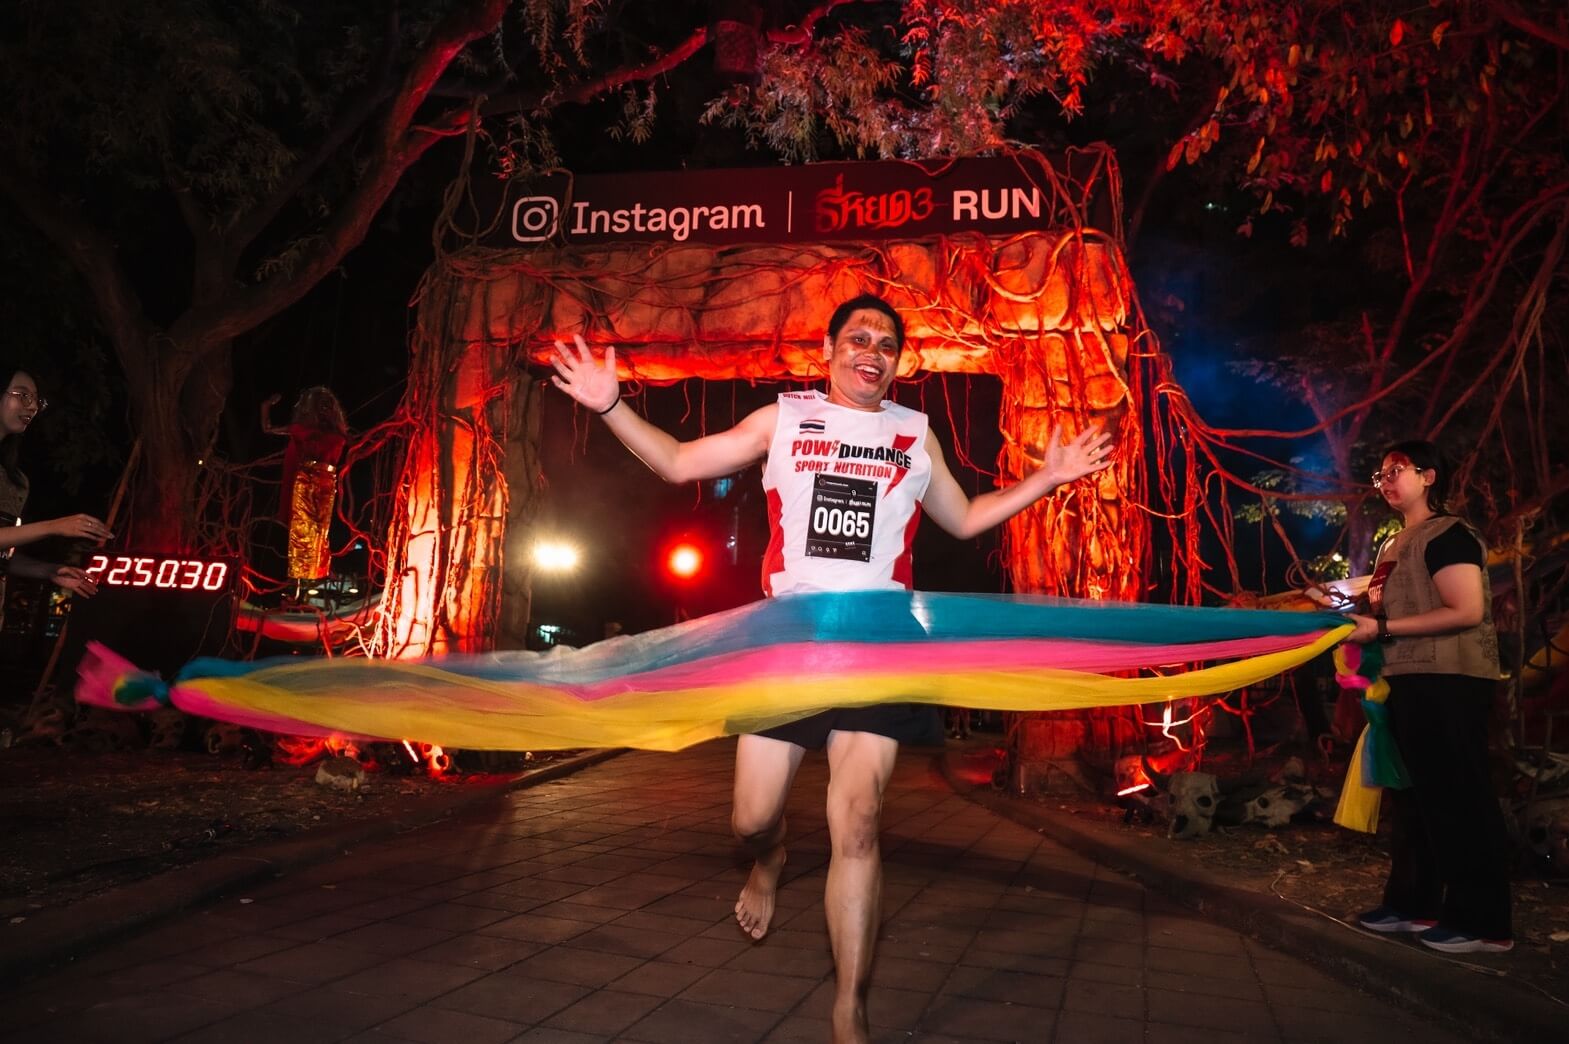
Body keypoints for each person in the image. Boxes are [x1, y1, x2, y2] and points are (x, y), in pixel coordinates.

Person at [552, 294, 1111, 1042]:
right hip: (789, 639)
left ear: (898, 362)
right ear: (827, 349)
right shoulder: (783, 419)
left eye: (885, 343)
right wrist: (611, 405)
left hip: (877, 640)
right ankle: (770, 858)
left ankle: (849, 1008)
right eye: (857, 338)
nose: (870, 351)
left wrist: (1048, 477)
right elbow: (679, 462)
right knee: (751, 818)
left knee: (858, 821)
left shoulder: (913, 432)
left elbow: (964, 518)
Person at [1346, 440, 1512, 954]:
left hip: (1451, 679)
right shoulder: (1393, 545)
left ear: (1429, 476)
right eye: (1381, 475)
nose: (1387, 482)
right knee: (1414, 797)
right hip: (1406, 679)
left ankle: (1484, 923)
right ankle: (1412, 905)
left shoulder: (1449, 535)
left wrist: (1382, 629)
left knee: (1459, 794)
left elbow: (1466, 610)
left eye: (1397, 470)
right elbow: (1386, 607)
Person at [0, 366, 107, 615]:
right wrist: (54, 526)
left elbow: (4, 555)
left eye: (37, 401)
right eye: (23, 395)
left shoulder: (16, 481)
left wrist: (49, 570)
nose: (32, 407)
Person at [262, 387, 350, 583]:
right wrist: (266, 406)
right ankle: (299, 572)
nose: (324, 408)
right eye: (321, 405)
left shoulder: (337, 432)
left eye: (327, 405)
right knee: (304, 526)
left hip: (326, 482)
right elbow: (267, 428)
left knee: (320, 528)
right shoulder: (302, 429)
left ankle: (317, 568)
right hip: (308, 479)